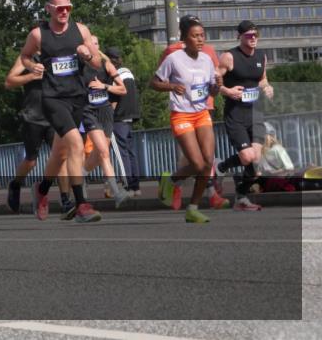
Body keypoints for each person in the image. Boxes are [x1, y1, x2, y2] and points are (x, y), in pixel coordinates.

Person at [19, 0, 103, 223]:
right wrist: (32, 66)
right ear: (49, 9)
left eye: (68, 8)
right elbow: (25, 56)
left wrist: (87, 55)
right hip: (53, 98)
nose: (64, 12)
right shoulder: (38, 34)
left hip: (77, 97)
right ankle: (81, 205)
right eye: (59, 8)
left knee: (60, 153)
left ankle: (42, 190)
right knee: (76, 144)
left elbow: (98, 62)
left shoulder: (81, 30)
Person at [152, 15, 220, 223]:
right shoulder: (174, 59)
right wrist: (172, 86)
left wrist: (217, 86)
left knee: (207, 162)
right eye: (195, 36)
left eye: (202, 35)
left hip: (201, 113)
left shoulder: (207, 59)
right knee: (197, 164)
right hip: (181, 114)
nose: (200, 39)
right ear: (184, 38)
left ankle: (193, 208)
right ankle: (171, 180)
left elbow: (213, 91)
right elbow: (154, 83)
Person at [4, 55, 73, 216]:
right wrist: (31, 76)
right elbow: (9, 82)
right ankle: (15, 184)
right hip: (33, 116)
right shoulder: (27, 58)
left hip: (55, 115)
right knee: (31, 161)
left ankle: (66, 201)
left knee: (61, 158)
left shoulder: (58, 56)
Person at [216, 20, 274, 211]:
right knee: (248, 157)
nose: (253, 38)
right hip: (236, 115)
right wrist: (227, 91)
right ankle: (221, 167)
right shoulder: (229, 57)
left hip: (255, 113)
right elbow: (213, 81)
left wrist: (267, 87)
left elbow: (262, 79)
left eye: (256, 35)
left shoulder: (261, 56)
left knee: (256, 162)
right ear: (239, 36)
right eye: (249, 35)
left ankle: (240, 197)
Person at [80, 36, 130, 207]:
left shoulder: (106, 64)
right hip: (89, 112)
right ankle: (117, 193)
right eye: (89, 44)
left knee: (100, 153)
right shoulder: (80, 66)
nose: (92, 46)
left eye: (95, 43)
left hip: (106, 111)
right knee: (103, 151)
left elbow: (123, 89)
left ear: (98, 46)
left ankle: (79, 176)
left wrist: (105, 86)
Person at [108, 47, 142, 197]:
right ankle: (136, 186)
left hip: (118, 117)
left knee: (122, 153)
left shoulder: (115, 76)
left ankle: (127, 186)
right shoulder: (128, 73)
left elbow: (115, 98)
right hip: (130, 116)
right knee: (131, 152)